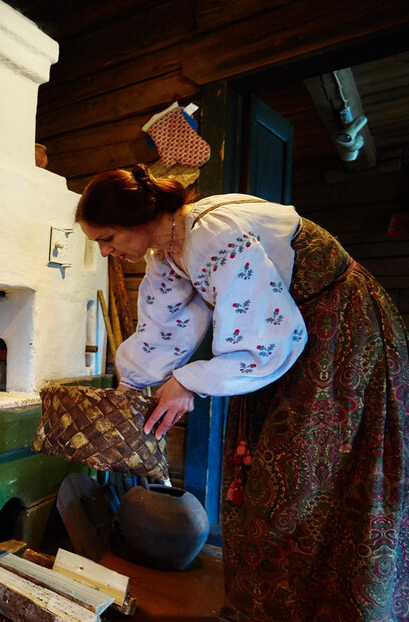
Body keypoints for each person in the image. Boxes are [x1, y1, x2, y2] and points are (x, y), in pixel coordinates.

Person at [75, 164, 408, 621]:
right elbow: (164, 333)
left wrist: (188, 381)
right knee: (264, 477)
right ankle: (266, 607)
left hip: (335, 332)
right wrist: (130, 390)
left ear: (137, 218)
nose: (106, 250)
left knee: (307, 474)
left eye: (107, 237)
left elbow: (266, 343)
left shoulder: (213, 233)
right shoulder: (164, 256)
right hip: (282, 347)